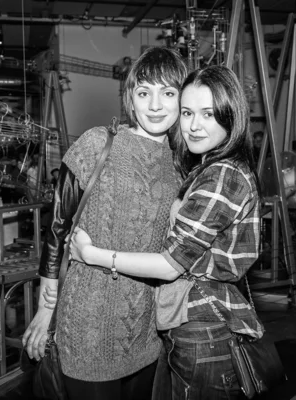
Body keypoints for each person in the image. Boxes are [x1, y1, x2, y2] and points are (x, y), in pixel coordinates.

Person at [70, 65, 264, 400]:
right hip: (194, 323)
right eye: (188, 112)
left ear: (232, 115)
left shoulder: (221, 176)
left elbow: (169, 265)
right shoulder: (203, 169)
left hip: (203, 328)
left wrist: (92, 255)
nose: (193, 125)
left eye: (208, 113)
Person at [22, 46, 188, 400]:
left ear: (181, 100)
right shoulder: (97, 143)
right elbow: (57, 229)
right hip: (87, 327)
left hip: (146, 330)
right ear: (130, 97)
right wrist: (43, 311)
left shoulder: (180, 168)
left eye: (168, 93)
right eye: (145, 93)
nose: (155, 105)